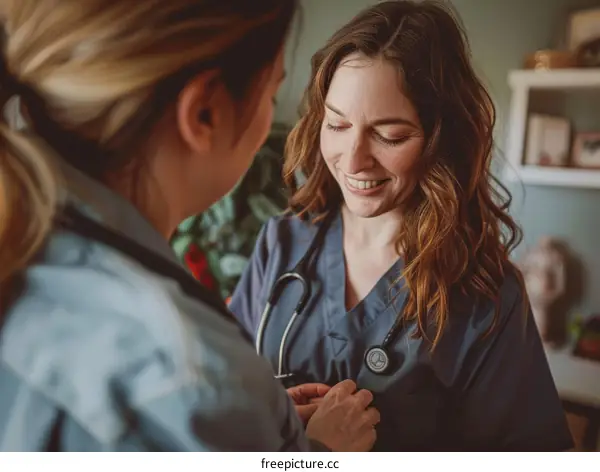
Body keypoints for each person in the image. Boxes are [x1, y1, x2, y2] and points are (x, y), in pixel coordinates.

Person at [0, 0, 380, 452]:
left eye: (391, 134)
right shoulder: (193, 376)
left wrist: (259, 424)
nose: (354, 158)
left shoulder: (28, 240)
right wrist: (315, 456)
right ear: (206, 114)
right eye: (272, 94)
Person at [229, 0, 575, 452]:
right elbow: (224, 397)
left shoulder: (487, 297)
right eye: (337, 124)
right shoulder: (282, 243)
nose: (352, 160)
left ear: (440, 138)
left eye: (389, 136)